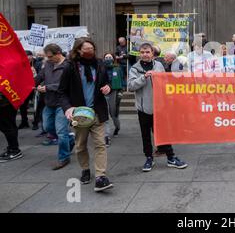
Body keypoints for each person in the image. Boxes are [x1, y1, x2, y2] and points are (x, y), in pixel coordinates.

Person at [58, 38, 114, 192]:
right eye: (86, 49)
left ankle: (100, 177)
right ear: (78, 50)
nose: (90, 51)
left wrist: (108, 87)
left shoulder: (100, 64)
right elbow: (61, 92)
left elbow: (107, 81)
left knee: (100, 144)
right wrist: (68, 108)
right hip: (79, 115)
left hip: (97, 112)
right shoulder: (70, 67)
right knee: (81, 145)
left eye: (92, 48)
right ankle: (85, 169)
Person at [128, 43, 188, 172]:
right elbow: (131, 86)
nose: (145, 54)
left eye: (147, 52)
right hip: (144, 109)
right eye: (142, 52)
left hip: (160, 108)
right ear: (139, 54)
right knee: (146, 135)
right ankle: (149, 158)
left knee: (163, 133)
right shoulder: (134, 68)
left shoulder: (159, 65)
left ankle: (171, 157)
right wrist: (143, 77)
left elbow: (166, 82)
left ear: (152, 53)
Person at [35, 44, 75, 170]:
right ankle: (70, 139)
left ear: (58, 53)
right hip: (49, 102)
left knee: (61, 131)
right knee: (47, 127)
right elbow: (39, 77)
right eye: (47, 57)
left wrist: (47, 88)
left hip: (63, 104)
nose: (48, 59)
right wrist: (28, 83)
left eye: (50, 56)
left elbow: (66, 85)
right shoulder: (47, 64)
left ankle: (63, 157)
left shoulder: (68, 65)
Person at [104, 53, 124, 146]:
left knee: (113, 114)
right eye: (106, 57)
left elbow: (122, 80)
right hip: (103, 93)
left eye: (110, 57)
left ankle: (117, 127)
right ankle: (106, 136)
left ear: (113, 58)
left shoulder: (118, 68)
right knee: (105, 115)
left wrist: (121, 91)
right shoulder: (101, 68)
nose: (108, 59)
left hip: (114, 92)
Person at [0, 93, 23, 163]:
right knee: (8, 126)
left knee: (7, 126)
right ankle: (12, 148)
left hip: (7, 103)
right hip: (7, 102)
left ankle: (14, 150)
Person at [17, 50, 37, 129]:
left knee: (36, 106)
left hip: (35, 88)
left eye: (29, 56)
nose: (27, 58)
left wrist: (35, 72)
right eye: (25, 56)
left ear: (32, 56)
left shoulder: (37, 63)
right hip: (25, 88)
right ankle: (24, 122)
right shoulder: (21, 64)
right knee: (23, 106)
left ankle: (36, 122)